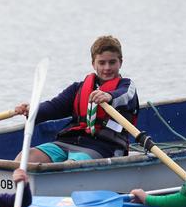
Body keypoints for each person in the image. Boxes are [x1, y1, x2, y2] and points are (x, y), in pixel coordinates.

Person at [14, 35, 139, 163]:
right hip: (68, 142)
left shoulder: (126, 87)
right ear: (93, 64)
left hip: (104, 147)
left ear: (120, 63)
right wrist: (32, 109)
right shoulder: (78, 88)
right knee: (25, 157)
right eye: (101, 63)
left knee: (73, 163)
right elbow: (54, 107)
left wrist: (109, 96)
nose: (107, 68)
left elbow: (123, 96)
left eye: (112, 62)